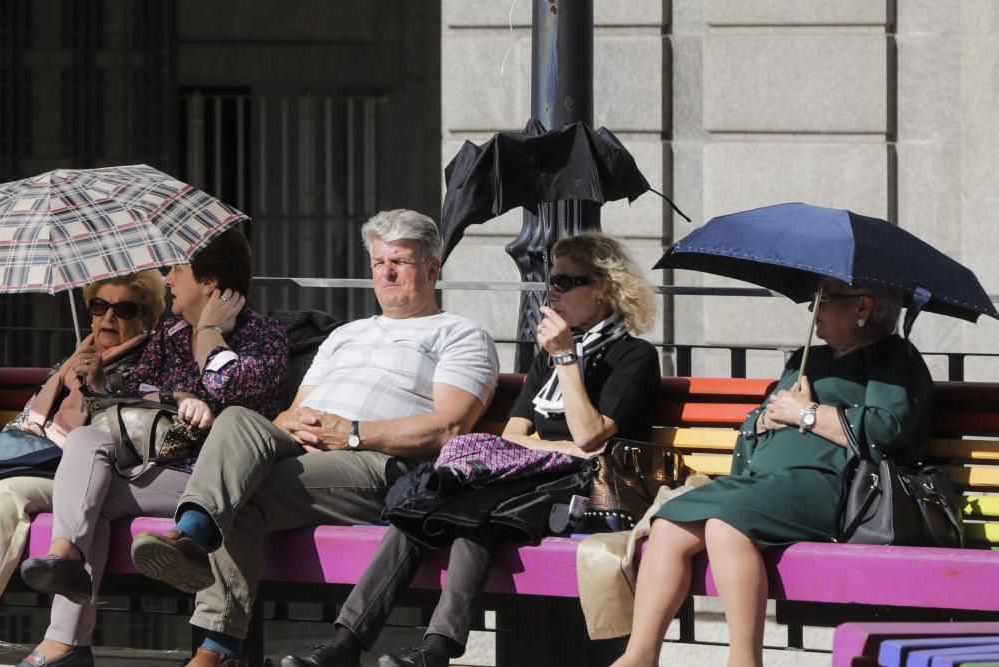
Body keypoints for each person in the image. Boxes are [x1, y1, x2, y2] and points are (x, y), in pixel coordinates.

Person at [127, 209, 500, 667]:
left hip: (376, 463)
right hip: (306, 450)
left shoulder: (461, 334)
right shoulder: (346, 334)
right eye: (379, 261)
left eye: (399, 261)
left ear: (432, 267)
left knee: (242, 493)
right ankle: (192, 535)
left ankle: (218, 647)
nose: (386, 271)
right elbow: (290, 412)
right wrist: (288, 424)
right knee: (239, 418)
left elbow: (449, 427)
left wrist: (354, 435)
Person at [280, 232, 662, 667]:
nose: (552, 293)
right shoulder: (549, 357)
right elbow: (514, 434)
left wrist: (566, 361)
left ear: (604, 288)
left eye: (567, 282)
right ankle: (345, 642)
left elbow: (592, 437)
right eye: (550, 281)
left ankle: (437, 650)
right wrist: (554, 442)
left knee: (475, 516)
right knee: (421, 508)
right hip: (530, 475)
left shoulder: (633, 357)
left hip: (585, 490)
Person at [612, 277, 933, 667]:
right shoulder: (807, 358)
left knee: (726, 526)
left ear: (862, 307)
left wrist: (806, 414)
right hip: (764, 484)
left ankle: (744, 660)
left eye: (824, 299)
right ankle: (640, 656)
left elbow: (887, 428)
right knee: (667, 525)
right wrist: (768, 419)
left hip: (831, 488)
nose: (813, 310)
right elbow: (757, 422)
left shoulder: (893, 357)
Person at [15, 227, 288, 667]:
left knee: (98, 496)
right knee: (87, 446)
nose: (166, 278)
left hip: (213, 490)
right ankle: (65, 585)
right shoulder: (171, 332)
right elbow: (136, 391)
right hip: (151, 468)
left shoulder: (263, 336)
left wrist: (211, 331)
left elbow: (225, 384)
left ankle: (67, 635)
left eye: (177, 268)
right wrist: (112, 387)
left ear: (209, 284)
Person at [0, 270, 166, 599]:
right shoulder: (70, 363)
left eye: (124, 310)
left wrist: (101, 389)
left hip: (85, 475)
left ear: (146, 318)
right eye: (99, 306)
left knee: (6, 496)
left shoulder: (152, 362)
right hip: (39, 461)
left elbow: (128, 433)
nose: (108, 316)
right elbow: (23, 423)